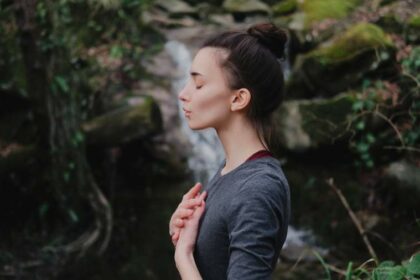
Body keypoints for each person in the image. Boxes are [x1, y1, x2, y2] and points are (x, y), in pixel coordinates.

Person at [169, 22, 291, 280]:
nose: (183, 94)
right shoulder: (231, 171)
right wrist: (185, 234)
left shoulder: (257, 188)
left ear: (238, 99)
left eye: (199, 85)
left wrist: (184, 257)